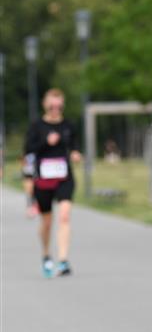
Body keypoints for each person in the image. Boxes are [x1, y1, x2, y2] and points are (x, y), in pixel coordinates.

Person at [24, 88, 81, 277]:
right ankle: (46, 255)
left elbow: (74, 145)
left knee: (64, 216)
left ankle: (63, 261)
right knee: (47, 221)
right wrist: (46, 142)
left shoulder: (68, 125)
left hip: (64, 177)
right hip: (43, 179)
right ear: (45, 104)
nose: (55, 109)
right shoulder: (36, 126)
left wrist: (75, 153)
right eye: (52, 105)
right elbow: (28, 149)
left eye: (59, 106)